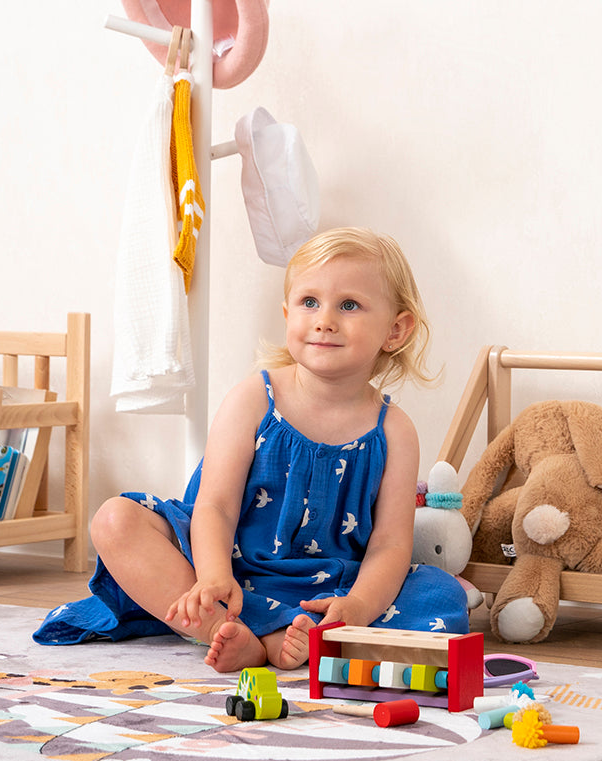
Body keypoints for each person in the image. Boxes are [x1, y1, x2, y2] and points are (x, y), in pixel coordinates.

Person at [34, 227, 468, 672]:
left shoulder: (395, 430)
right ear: (287, 314)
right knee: (114, 520)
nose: (324, 320)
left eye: (350, 305)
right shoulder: (256, 397)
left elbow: (390, 546)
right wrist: (213, 576)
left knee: (443, 593)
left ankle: (288, 633)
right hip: (222, 566)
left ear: (395, 330)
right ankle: (228, 628)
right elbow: (215, 506)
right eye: (309, 302)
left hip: (329, 588)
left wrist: (356, 607)